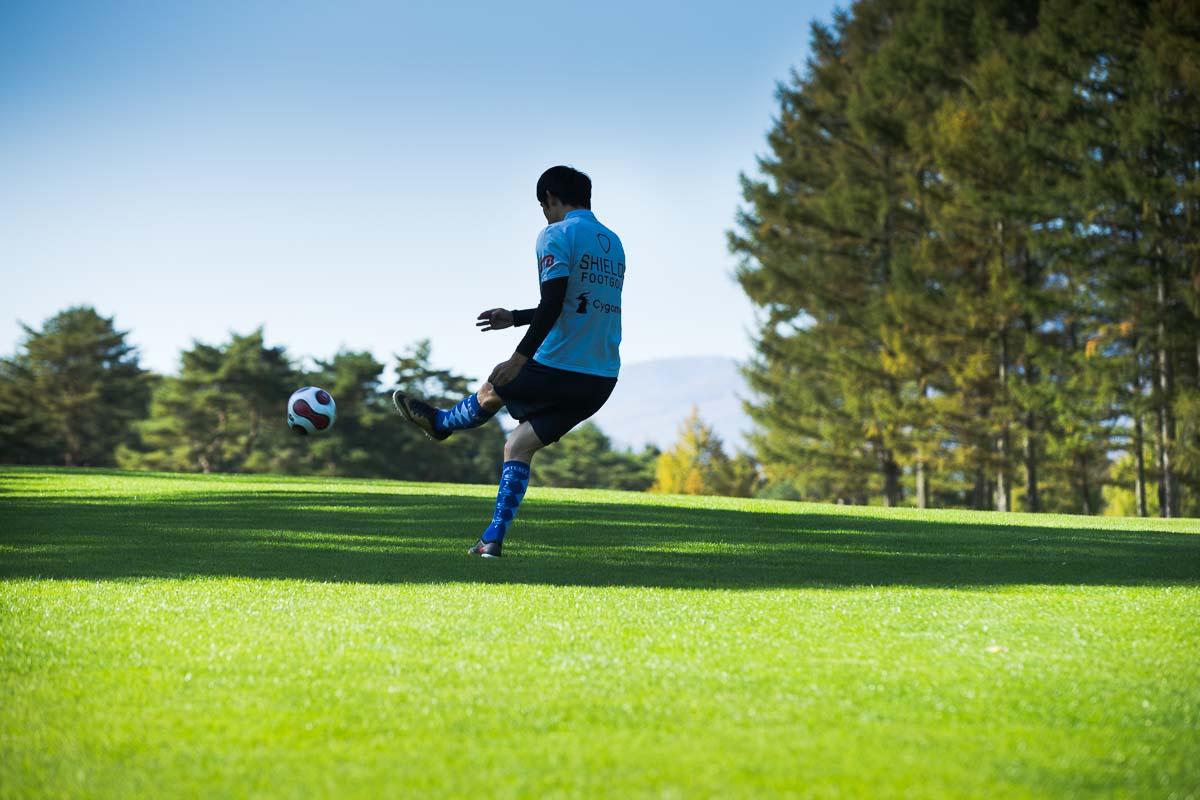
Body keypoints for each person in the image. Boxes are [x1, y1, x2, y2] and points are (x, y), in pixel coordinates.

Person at [394, 165, 625, 557]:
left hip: (559, 365)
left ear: (550, 197)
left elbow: (554, 303)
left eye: (543, 206)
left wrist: (519, 358)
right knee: (517, 445)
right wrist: (515, 317)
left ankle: (441, 423)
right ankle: (491, 541)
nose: (545, 213)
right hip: (599, 378)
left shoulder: (556, 234)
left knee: (493, 387)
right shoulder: (614, 243)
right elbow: (577, 305)